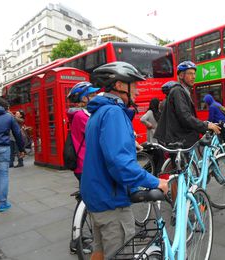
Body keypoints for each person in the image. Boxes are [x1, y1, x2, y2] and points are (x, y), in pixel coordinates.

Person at [80, 61, 168, 259]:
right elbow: (120, 164)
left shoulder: (98, 112)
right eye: (134, 85)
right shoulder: (113, 113)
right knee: (122, 253)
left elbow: (104, 150)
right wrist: (156, 182)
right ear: (120, 85)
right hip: (111, 200)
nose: (137, 91)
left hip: (96, 195)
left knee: (100, 251)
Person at [154, 61, 221, 147]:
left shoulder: (183, 91)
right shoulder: (178, 91)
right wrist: (206, 125)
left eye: (194, 74)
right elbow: (185, 116)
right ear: (181, 75)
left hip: (182, 139)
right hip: (180, 140)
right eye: (190, 73)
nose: (193, 77)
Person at [0, 96, 25, 212]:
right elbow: (17, 133)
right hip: (3, 148)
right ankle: (2, 202)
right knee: (3, 174)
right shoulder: (9, 116)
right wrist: (21, 149)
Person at [66, 81, 100, 183]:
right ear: (85, 98)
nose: (97, 97)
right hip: (85, 165)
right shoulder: (81, 115)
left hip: (88, 163)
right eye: (93, 95)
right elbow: (99, 132)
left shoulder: (86, 113)